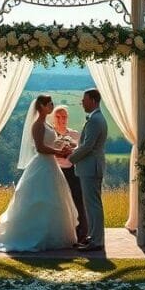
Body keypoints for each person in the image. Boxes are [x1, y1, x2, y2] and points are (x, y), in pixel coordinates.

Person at [0, 94, 78, 252]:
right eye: (49, 104)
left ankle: (52, 236)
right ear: (42, 106)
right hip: (42, 164)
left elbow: (50, 142)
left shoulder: (47, 125)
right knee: (40, 199)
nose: (52, 106)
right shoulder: (37, 125)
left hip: (51, 165)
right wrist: (59, 152)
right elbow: (40, 148)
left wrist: (62, 147)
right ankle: (35, 235)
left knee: (55, 199)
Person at [68, 88, 108, 252]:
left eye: (84, 100)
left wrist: (70, 158)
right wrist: (74, 148)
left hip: (90, 168)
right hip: (91, 167)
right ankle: (92, 238)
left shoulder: (95, 120)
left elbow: (88, 146)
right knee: (91, 205)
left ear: (93, 100)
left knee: (93, 206)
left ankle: (96, 241)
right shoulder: (97, 118)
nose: (82, 103)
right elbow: (86, 145)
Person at [53, 104, 88, 244]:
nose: (62, 119)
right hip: (55, 171)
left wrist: (71, 151)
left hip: (72, 171)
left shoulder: (74, 134)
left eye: (64, 116)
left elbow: (82, 152)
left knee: (77, 201)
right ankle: (59, 233)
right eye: (58, 116)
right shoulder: (50, 134)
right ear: (53, 118)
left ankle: (81, 233)